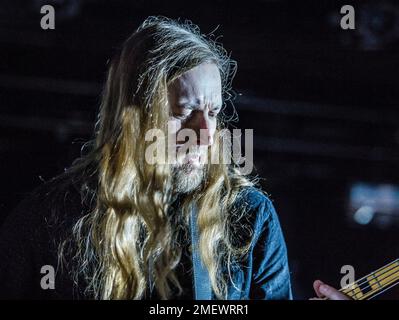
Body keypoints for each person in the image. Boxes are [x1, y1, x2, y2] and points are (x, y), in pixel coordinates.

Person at [0, 16, 292, 300]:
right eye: (184, 112)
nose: (205, 136)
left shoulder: (250, 217)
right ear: (132, 116)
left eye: (213, 113)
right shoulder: (49, 219)